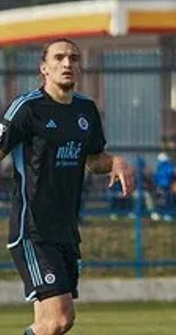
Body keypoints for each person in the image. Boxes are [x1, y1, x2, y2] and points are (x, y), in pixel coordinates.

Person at [2, 38, 133, 335]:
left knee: (51, 325)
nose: (67, 63)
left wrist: (115, 162)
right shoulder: (26, 108)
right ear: (43, 68)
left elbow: (94, 160)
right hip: (32, 229)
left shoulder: (86, 110)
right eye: (59, 58)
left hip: (66, 231)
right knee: (60, 319)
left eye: (73, 58)